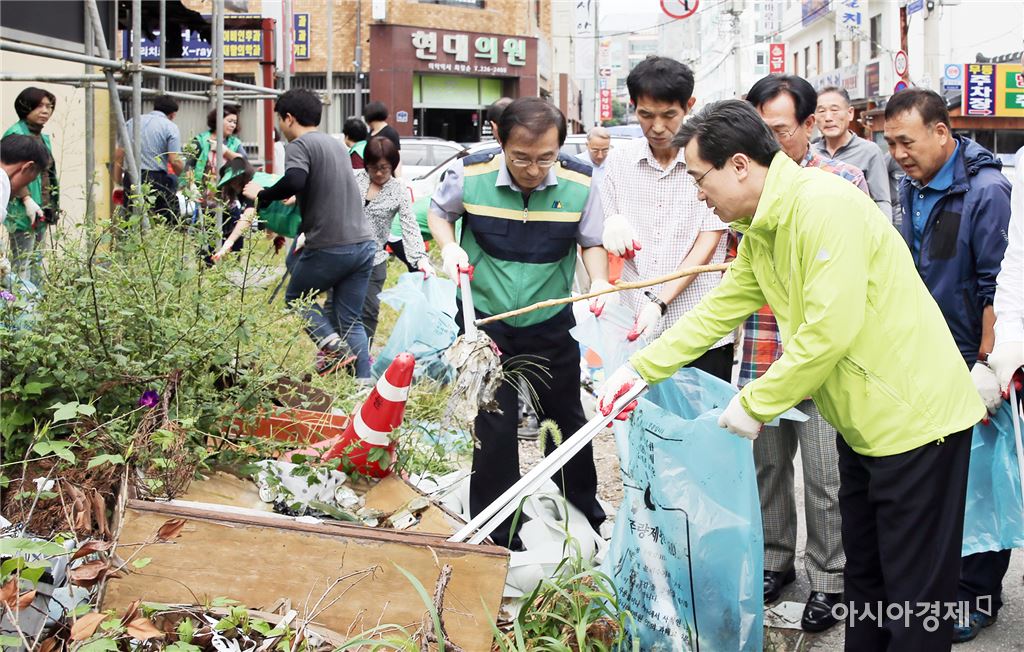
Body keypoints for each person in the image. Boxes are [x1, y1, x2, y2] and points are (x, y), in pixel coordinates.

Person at [599, 100, 984, 651]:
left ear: (738, 165)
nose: (698, 194)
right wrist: (639, 369)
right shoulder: (763, 229)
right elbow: (718, 310)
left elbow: (829, 330)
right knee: (869, 581)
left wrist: (754, 403)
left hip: (917, 422)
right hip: (864, 425)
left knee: (915, 594)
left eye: (699, 179)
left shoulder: (824, 206)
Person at [427, 97, 611, 550]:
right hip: (486, 324)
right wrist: (449, 247)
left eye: (545, 157)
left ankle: (583, 514)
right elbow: (439, 212)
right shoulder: (469, 173)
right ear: (500, 141)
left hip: (548, 320)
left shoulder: (580, 181)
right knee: (494, 424)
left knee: (566, 418)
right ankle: (498, 532)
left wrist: (601, 278)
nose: (533, 169)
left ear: (561, 148)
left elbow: (590, 241)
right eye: (522, 158)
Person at [882, 88, 1012, 644]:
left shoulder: (987, 190)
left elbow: (997, 289)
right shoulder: (909, 186)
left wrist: (988, 365)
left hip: (971, 355)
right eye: (889, 143)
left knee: (981, 483)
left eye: (906, 141)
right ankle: (945, 588)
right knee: (945, 484)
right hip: (924, 351)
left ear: (942, 132)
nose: (898, 154)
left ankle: (979, 595)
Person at [743, 73, 869, 632]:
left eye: (779, 131)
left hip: (820, 361)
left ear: (811, 125)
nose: (768, 144)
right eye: (758, 131)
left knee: (825, 476)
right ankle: (775, 562)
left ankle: (830, 578)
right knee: (765, 467)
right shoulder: (742, 179)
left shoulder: (843, 180)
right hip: (761, 349)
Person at [600, 55, 732, 379]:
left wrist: (659, 302)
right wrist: (610, 233)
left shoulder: (713, 160)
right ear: (633, 106)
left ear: (689, 105)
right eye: (646, 115)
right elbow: (609, 238)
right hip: (637, 327)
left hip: (700, 328)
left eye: (669, 115)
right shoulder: (618, 163)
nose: (657, 127)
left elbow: (707, 243)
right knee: (643, 424)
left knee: (700, 425)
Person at [242, 88, 376, 379]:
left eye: (279, 119)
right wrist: (297, 195)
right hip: (363, 244)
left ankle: (332, 346)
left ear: (288, 118)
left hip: (331, 245)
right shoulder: (336, 145)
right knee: (351, 320)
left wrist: (263, 194)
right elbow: (314, 184)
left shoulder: (298, 146)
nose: (280, 126)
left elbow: (295, 179)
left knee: (296, 298)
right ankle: (364, 388)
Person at [356, 136, 433, 343]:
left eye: (384, 168)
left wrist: (420, 259)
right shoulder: (354, 181)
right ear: (366, 165)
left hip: (374, 258)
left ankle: (361, 359)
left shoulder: (398, 190)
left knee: (369, 311)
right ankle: (334, 354)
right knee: (338, 305)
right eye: (374, 168)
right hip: (345, 256)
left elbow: (410, 226)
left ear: (393, 166)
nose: (379, 173)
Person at [4, 87, 60, 287]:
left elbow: (47, 175)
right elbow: (12, 171)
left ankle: (36, 305)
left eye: (49, 106)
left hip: (41, 208)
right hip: (22, 211)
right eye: (40, 105)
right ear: (25, 106)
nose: (46, 110)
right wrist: (27, 200)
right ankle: (21, 307)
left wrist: (50, 204)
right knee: (22, 262)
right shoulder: (16, 134)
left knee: (36, 260)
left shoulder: (42, 137)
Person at [814, 86, 892, 219]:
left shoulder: (870, 151)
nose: (828, 118)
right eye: (821, 111)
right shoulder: (810, 152)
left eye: (834, 110)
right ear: (814, 117)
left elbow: (882, 201)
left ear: (850, 113)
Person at [114, 94, 186, 225]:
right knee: (167, 218)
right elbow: (174, 160)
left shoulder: (132, 122)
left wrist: (118, 182)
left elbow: (119, 155)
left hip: (131, 177)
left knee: (133, 220)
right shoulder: (170, 127)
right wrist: (187, 178)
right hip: (156, 179)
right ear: (173, 114)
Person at [0, 134, 50, 282]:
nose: (23, 189)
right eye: (29, 181)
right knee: (28, 297)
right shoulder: (1, 181)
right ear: (28, 166)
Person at [184, 105, 247, 194]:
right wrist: (192, 185)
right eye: (230, 121)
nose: (233, 125)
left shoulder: (235, 143)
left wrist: (225, 151)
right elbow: (189, 165)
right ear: (218, 120)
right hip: (201, 190)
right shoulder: (201, 140)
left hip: (226, 191)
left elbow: (244, 161)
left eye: (235, 122)